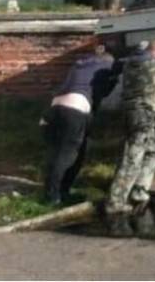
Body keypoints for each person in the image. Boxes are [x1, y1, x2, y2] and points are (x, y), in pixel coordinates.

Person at [106, 38, 155, 214]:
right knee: (133, 158)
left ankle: (139, 190)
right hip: (143, 114)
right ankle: (115, 200)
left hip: (130, 112)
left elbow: (141, 55)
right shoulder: (151, 65)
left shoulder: (130, 63)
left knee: (151, 152)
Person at [41, 43, 119, 205]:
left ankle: (56, 191)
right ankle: (54, 195)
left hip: (53, 109)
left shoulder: (80, 63)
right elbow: (103, 92)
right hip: (74, 109)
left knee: (58, 152)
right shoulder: (108, 65)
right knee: (69, 154)